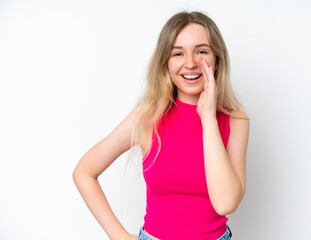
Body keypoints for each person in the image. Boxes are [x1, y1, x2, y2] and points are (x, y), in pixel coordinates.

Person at [73, 11, 249, 240]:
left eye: (202, 51)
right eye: (178, 53)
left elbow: (226, 203)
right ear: (165, 62)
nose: (190, 63)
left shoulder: (236, 122)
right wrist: (118, 235)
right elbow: (84, 172)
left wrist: (207, 118)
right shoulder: (147, 118)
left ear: (217, 60)